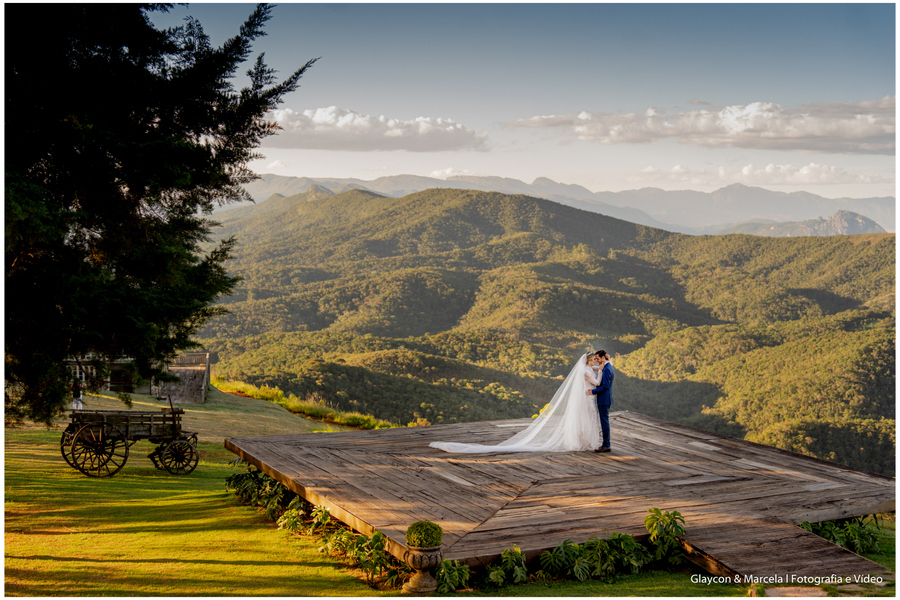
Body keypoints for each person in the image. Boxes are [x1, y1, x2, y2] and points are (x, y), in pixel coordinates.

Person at [429, 353, 601, 453]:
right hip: (586, 398)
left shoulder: (585, 368)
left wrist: (601, 365)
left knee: (583, 420)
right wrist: (602, 372)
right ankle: (583, 442)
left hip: (586, 398)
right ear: (589, 361)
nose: (595, 362)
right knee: (585, 419)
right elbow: (597, 382)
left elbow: (591, 370)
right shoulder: (587, 371)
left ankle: (583, 441)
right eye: (594, 360)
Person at [588, 350, 614, 452]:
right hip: (605, 398)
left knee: (604, 422)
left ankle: (606, 444)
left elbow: (605, 386)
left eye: (598, 359)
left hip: (604, 399)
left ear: (603, 357)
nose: (597, 361)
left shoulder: (607, 369)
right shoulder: (607, 367)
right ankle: (606, 444)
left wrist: (593, 391)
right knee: (604, 421)